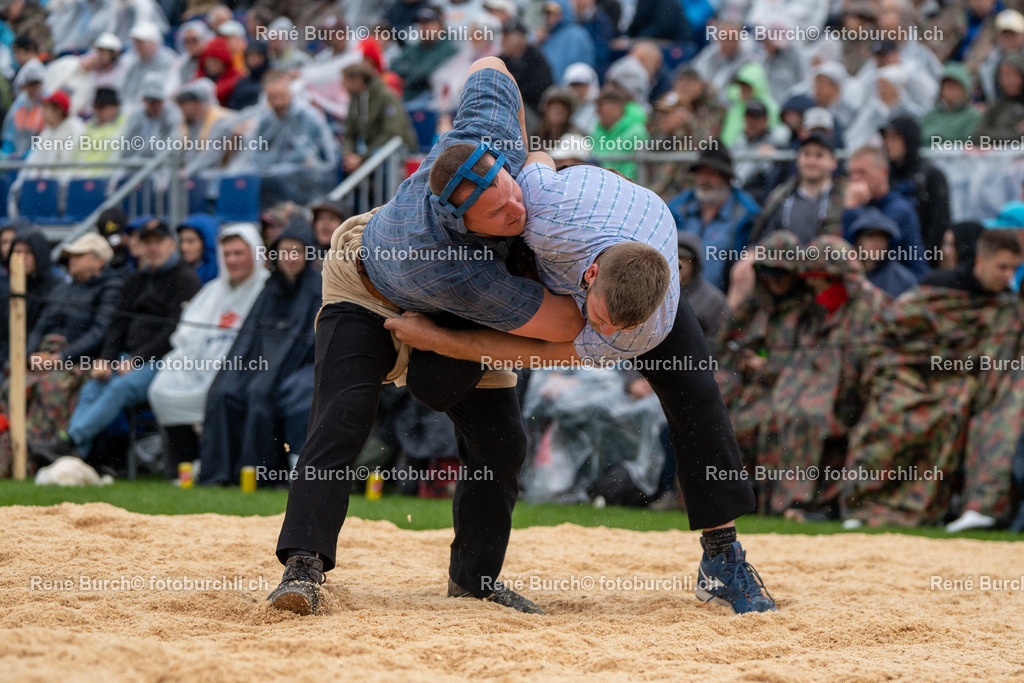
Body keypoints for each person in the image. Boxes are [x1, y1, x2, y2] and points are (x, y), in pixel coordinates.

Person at [385, 143, 777, 614]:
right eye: (599, 318)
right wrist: (440, 329)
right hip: (568, 227)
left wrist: (440, 340)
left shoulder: (650, 320)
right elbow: (536, 160)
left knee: (697, 395)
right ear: (589, 275)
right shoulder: (545, 212)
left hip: (634, 251)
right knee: (436, 380)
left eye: (615, 330)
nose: (603, 333)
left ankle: (723, 560)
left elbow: (541, 352)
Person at [268, 57, 578, 617]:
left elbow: (491, 65)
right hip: (367, 290)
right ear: (464, 225)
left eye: (512, 190)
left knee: (502, 443)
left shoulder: (484, 137)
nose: (517, 209)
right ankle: (304, 565)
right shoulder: (453, 267)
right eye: (499, 214)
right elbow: (562, 326)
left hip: (454, 311)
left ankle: (475, 581)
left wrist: (534, 162)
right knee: (344, 413)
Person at [845, 229, 1024, 529]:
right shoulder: (939, 290)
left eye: (1014, 269)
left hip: (963, 385)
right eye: (1002, 267)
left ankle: (930, 510)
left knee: (952, 412)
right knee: (891, 417)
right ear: (981, 260)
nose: (1008, 276)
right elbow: (889, 335)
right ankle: (867, 507)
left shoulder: (1003, 305)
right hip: (913, 375)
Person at [29, 220, 201, 463]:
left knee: (120, 388)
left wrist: (137, 358)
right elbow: (116, 326)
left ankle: (69, 442)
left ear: (171, 244)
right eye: (147, 242)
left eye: (158, 242)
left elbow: (174, 332)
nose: (152, 248)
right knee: (93, 386)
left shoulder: (186, 280)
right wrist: (105, 360)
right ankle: (74, 454)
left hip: (165, 361)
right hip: (125, 358)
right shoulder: (135, 280)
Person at [198, 218, 320, 485]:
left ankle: (257, 475)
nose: (290, 258)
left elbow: (311, 341)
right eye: (285, 251)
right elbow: (247, 338)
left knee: (259, 394)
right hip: (262, 363)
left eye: (297, 251)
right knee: (222, 392)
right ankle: (218, 474)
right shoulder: (270, 287)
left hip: (297, 367)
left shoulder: (317, 287)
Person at [148, 224, 267, 474]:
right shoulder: (213, 290)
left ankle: (216, 464)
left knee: (220, 391)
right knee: (162, 388)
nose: (232, 260)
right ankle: (184, 463)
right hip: (199, 363)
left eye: (239, 253)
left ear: (255, 253)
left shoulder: (266, 289)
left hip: (241, 369)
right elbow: (186, 333)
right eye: (227, 254)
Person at [667, 146, 760, 292]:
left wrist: (753, 253)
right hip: (677, 300)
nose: (705, 179)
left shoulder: (747, 215)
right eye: (700, 172)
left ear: (727, 178)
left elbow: (759, 245)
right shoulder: (675, 210)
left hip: (725, 303)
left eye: (712, 173)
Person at [246, 71, 339, 205]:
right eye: (272, 98)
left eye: (281, 96)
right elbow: (257, 153)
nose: (278, 103)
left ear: (290, 95)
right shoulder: (266, 120)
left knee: (281, 176)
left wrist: (310, 161)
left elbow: (320, 157)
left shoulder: (309, 117)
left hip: (310, 177)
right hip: (273, 176)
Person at [841, 145, 929, 279]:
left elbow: (869, 254)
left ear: (883, 172)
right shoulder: (864, 205)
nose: (855, 178)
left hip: (906, 285)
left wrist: (852, 208)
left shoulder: (899, 208)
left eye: (862, 172)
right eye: (852, 173)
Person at [881, 114, 951, 264]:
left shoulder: (931, 175)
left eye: (895, 138)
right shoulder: (884, 174)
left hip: (921, 260)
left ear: (909, 139)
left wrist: (927, 262)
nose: (888, 144)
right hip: (890, 262)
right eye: (886, 138)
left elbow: (939, 223)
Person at [751, 133, 845, 245]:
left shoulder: (846, 197)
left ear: (834, 162)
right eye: (806, 154)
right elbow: (763, 240)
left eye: (819, 155)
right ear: (798, 159)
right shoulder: (779, 198)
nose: (811, 161)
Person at [341, 61, 418, 175]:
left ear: (358, 80)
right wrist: (349, 155)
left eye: (346, 80)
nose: (343, 85)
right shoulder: (354, 100)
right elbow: (349, 133)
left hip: (396, 151)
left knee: (379, 158)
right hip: (371, 150)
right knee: (342, 161)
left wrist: (362, 158)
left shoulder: (386, 96)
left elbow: (392, 133)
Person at [849, 207, 918, 298]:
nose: (876, 242)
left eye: (882, 237)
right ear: (857, 240)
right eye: (870, 236)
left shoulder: (903, 280)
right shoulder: (844, 275)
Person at [590, 82, 648, 181]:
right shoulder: (598, 130)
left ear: (616, 107)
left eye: (601, 106)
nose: (597, 112)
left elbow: (630, 170)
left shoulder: (637, 132)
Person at [921, 62, 982, 144]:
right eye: (946, 85)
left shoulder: (973, 117)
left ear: (964, 89)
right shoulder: (929, 116)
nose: (950, 88)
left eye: (955, 85)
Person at [176, 214, 219, 284]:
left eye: (191, 241)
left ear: (206, 243)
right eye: (181, 241)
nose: (184, 247)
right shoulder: (177, 272)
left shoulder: (219, 274)